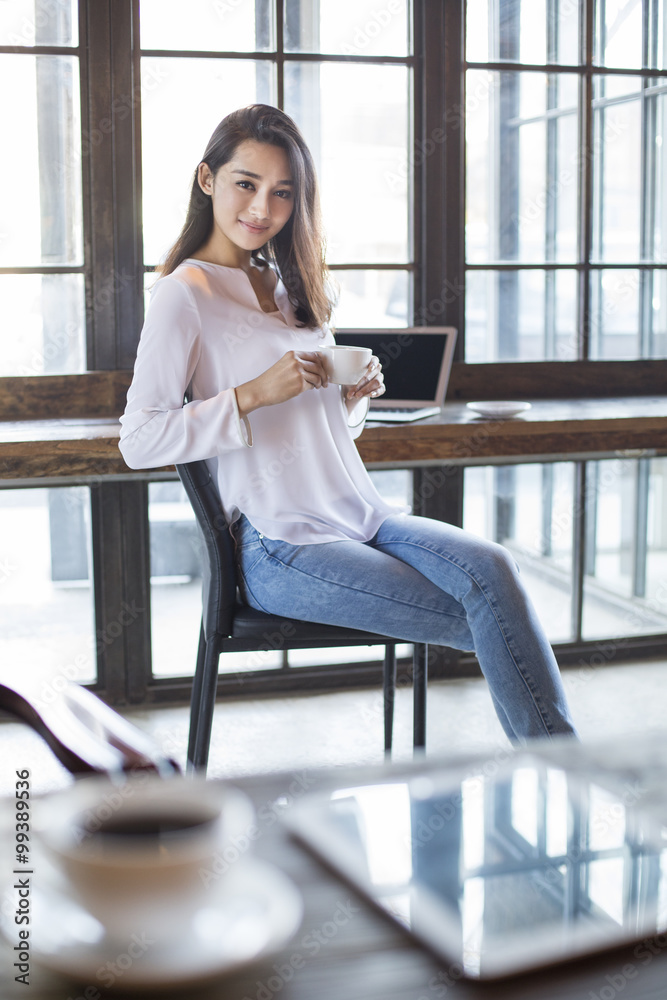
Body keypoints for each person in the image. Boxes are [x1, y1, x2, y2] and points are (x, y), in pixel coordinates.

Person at [119, 104, 578, 745]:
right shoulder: (183, 294)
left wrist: (351, 401)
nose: (261, 208)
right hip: (281, 544)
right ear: (207, 180)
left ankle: (560, 769)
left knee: (493, 571)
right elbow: (139, 439)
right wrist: (252, 394)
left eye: (282, 193)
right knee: (490, 613)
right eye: (245, 184)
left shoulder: (286, 288)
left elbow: (317, 434)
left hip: (361, 515)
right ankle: (566, 770)